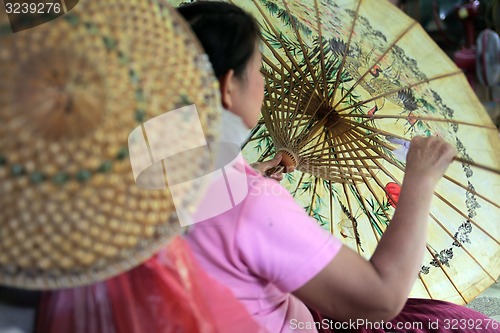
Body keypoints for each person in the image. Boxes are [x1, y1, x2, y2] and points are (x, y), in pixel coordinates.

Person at [177, 2, 498, 333]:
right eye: (259, 69)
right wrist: (421, 179)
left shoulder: (151, 155)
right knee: (460, 325)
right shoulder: (249, 201)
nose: (263, 80)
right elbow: (380, 300)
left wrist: (245, 175)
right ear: (229, 85)